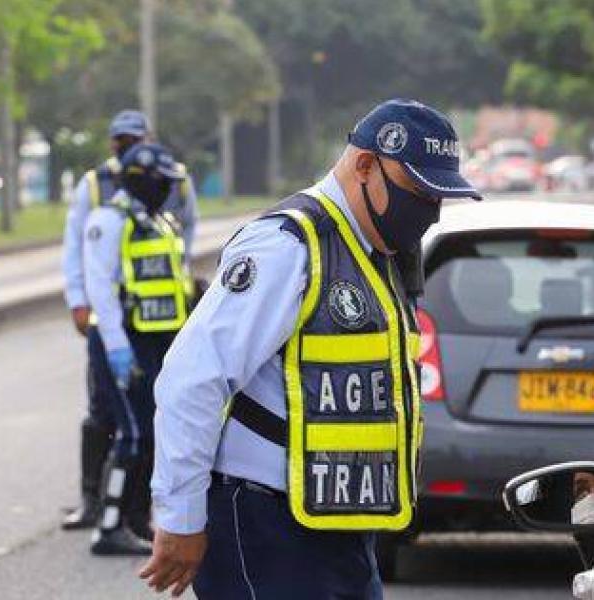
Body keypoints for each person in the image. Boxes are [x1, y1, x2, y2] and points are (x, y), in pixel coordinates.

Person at [141, 99, 481, 599]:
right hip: (264, 526)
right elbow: (192, 380)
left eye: (437, 198)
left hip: (336, 528)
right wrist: (181, 518)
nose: (428, 212)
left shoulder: (376, 253)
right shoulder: (287, 247)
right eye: (416, 192)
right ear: (364, 165)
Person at [60, 110, 198, 531]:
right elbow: (86, 261)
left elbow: (184, 244)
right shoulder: (101, 200)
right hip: (121, 336)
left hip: (156, 338)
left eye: (132, 137)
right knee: (117, 423)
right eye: (119, 139)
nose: (124, 144)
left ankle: (134, 517)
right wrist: (81, 304)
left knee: (148, 430)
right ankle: (101, 510)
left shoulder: (164, 205)